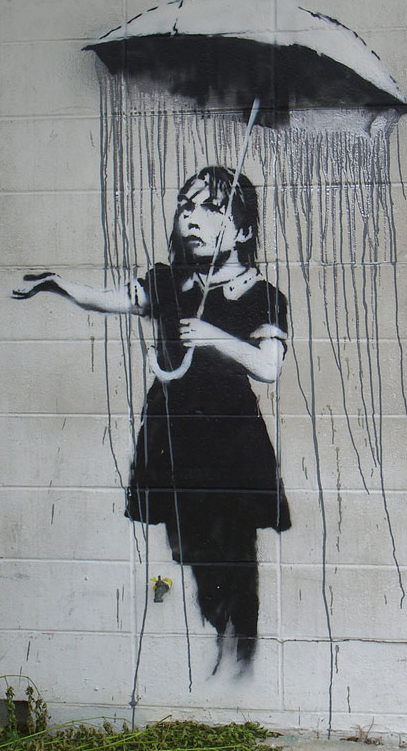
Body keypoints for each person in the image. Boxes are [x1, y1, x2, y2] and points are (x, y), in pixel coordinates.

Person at [14, 166, 290, 669]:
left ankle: (237, 649)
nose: (193, 217)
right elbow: (111, 300)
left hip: (230, 444)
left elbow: (269, 367)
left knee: (233, 555)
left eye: (212, 208)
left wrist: (213, 337)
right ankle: (220, 644)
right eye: (187, 206)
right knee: (192, 552)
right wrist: (60, 286)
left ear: (244, 230)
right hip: (173, 438)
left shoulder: (261, 295)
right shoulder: (167, 284)